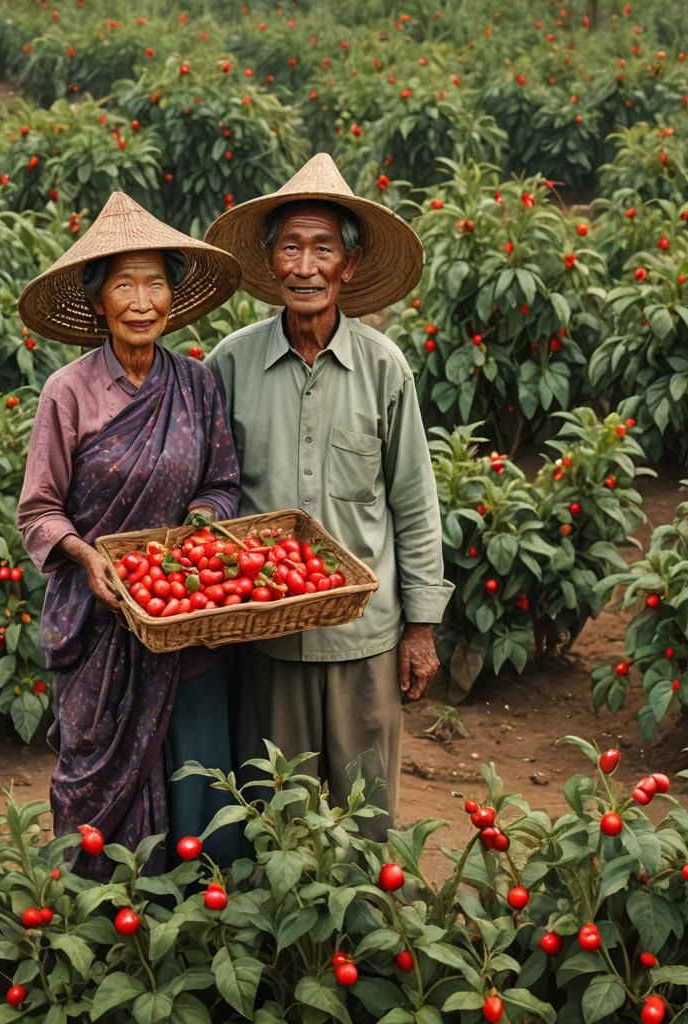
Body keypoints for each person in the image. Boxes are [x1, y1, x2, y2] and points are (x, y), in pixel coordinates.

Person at [204, 154, 453, 839]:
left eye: (323, 248)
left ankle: (363, 940)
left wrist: (422, 626)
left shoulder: (383, 367)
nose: (306, 266)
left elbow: (413, 500)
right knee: (270, 810)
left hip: (364, 634)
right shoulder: (229, 363)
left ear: (349, 264)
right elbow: (210, 485)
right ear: (270, 261)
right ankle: (283, 946)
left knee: (363, 815)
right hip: (265, 634)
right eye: (291, 247)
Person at [16, 192, 243, 875]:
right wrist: (86, 557)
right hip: (100, 625)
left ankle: (201, 924)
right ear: (98, 301)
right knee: (97, 787)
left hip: (183, 618)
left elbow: (222, 483)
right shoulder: (70, 392)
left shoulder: (198, 385)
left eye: (156, 284)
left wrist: (200, 529)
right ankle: (104, 921)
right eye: (124, 285)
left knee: (196, 775)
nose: (143, 301)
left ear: (174, 296)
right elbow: (39, 511)